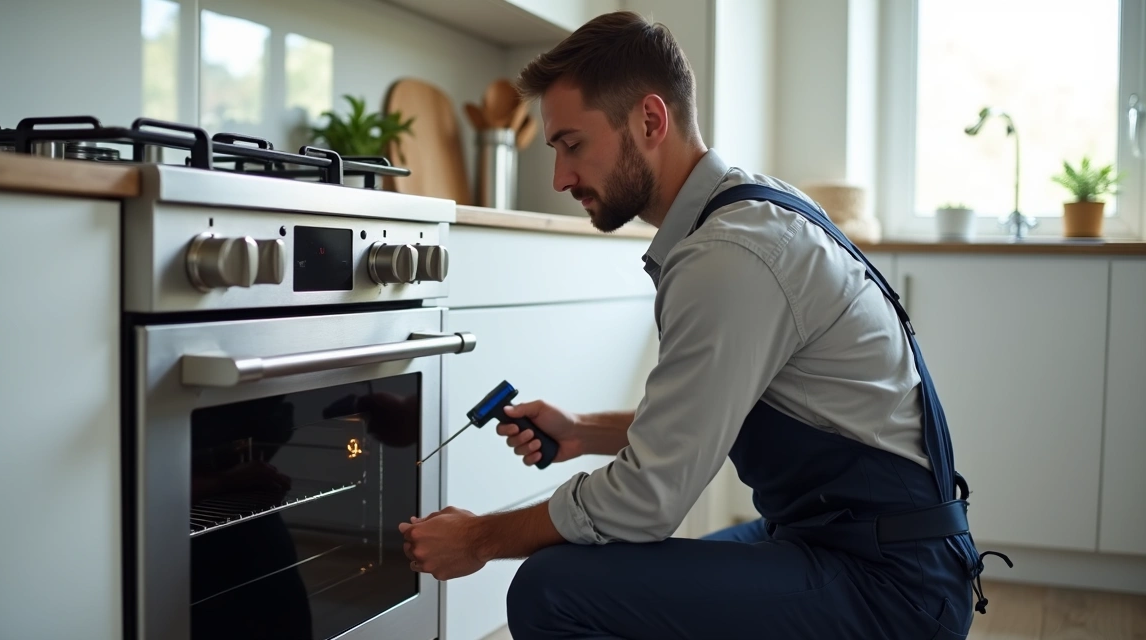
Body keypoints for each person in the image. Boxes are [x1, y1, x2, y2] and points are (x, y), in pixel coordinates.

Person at [398, 10, 1010, 639]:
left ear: (650, 120)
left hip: (891, 587)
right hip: (847, 542)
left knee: (553, 590)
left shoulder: (730, 256)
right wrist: (581, 432)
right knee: (619, 572)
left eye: (572, 145)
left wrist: (478, 538)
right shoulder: (750, 211)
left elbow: (645, 501)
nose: (560, 179)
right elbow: (704, 419)